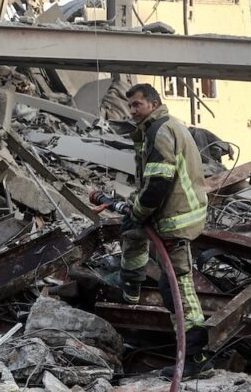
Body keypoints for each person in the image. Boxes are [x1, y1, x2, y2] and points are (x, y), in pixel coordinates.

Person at [78, 82, 212, 368]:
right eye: (130, 106)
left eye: (137, 105)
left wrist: (139, 210)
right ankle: (131, 287)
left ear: (152, 103)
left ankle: (195, 357)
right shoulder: (159, 127)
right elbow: (152, 183)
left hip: (177, 218)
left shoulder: (160, 130)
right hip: (173, 212)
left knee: (176, 287)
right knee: (132, 230)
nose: (132, 111)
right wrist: (136, 211)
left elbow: (160, 183)